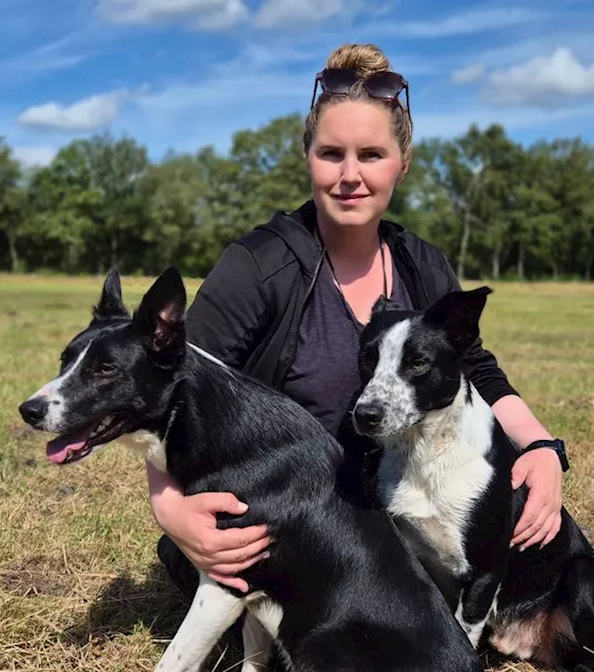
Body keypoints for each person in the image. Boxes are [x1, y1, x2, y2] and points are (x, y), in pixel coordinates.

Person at [148, 43, 569, 599]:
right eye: (331, 154)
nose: (349, 175)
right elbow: (171, 383)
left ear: (402, 162)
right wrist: (173, 512)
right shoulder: (258, 266)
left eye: (370, 154)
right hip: (283, 515)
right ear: (308, 158)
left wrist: (542, 448)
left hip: (388, 510)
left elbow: (476, 369)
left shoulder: (421, 264)